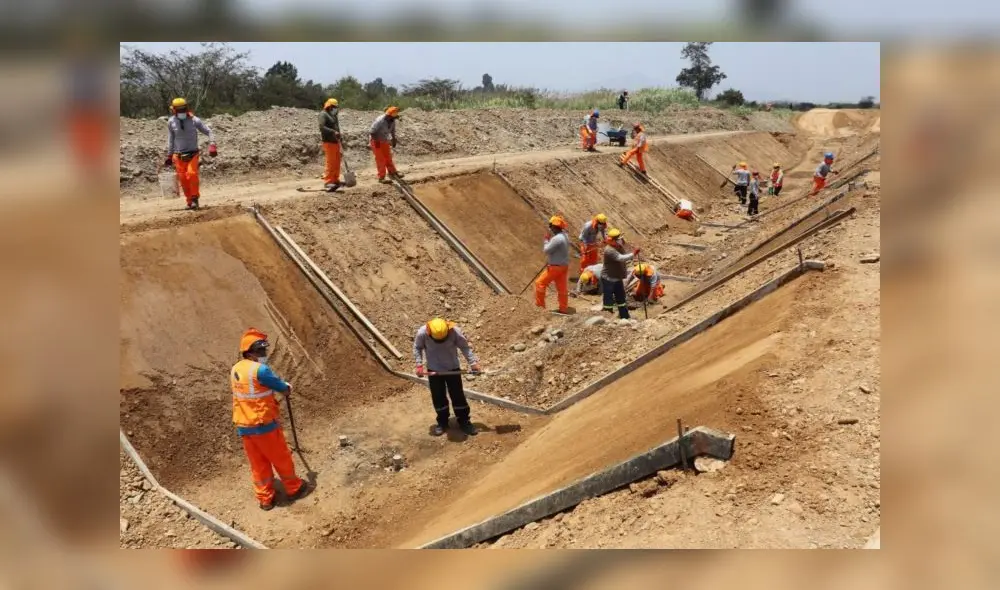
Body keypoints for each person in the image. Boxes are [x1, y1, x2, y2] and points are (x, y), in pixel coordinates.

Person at [230, 328, 310, 511]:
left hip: (244, 425)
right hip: (263, 425)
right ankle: (294, 488)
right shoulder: (260, 370)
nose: (264, 354)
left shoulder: (236, 369)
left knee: (258, 464)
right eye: (261, 351)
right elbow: (281, 387)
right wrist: (287, 387)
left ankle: (265, 498)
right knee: (280, 457)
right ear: (250, 352)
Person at [414, 318, 481, 437]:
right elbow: (417, 347)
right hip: (434, 370)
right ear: (430, 333)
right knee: (438, 396)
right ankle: (442, 421)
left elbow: (464, 347)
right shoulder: (422, 333)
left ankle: (464, 421)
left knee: (458, 395)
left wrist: (473, 363)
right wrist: (419, 364)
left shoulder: (455, 331)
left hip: (453, 369)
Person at [164, 97, 217, 210]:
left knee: (192, 174)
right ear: (174, 110)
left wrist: (212, 144)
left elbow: (209, 131)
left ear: (187, 108)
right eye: (178, 110)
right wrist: (169, 155)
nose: (181, 112)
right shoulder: (171, 122)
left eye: (183, 109)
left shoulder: (194, 120)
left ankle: (194, 199)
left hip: (193, 154)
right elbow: (171, 139)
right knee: (183, 179)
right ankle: (189, 202)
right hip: (178, 155)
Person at [535, 215, 572, 315]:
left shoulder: (557, 239)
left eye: (551, 226)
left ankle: (540, 308)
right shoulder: (565, 236)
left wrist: (546, 240)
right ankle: (563, 309)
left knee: (540, 283)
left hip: (555, 267)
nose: (550, 228)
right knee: (562, 288)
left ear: (555, 227)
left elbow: (546, 250)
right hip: (563, 266)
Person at [601, 228, 639, 319]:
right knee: (608, 301)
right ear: (612, 240)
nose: (620, 240)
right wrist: (633, 254)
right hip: (608, 279)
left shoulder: (618, 246)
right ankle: (607, 318)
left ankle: (625, 317)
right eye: (618, 239)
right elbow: (620, 258)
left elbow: (623, 249)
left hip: (617, 277)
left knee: (621, 299)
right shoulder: (609, 250)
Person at [370, 106, 403, 184]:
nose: (396, 118)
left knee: (388, 156)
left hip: (384, 140)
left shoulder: (392, 120)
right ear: (389, 115)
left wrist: (394, 139)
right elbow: (372, 132)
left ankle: (392, 172)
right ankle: (381, 177)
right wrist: (377, 141)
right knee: (380, 159)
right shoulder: (380, 120)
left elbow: (392, 131)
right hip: (376, 140)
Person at [319, 98, 343, 192]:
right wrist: (333, 132)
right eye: (334, 107)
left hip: (336, 142)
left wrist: (340, 136)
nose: (335, 109)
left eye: (336, 107)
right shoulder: (323, 114)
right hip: (328, 142)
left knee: (337, 161)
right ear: (329, 106)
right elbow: (322, 127)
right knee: (331, 162)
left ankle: (335, 180)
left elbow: (337, 128)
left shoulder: (333, 116)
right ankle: (328, 182)